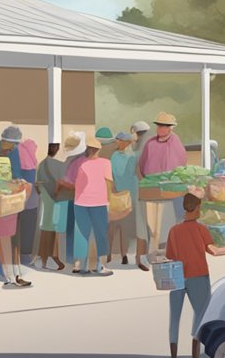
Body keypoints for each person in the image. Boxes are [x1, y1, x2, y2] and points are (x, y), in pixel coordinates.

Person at [165, 193, 219, 358]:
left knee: (174, 317)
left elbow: (170, 256)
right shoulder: (200, 229)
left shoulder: (173, 230)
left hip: (177, 275)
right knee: (201, 315)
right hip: (198, 275)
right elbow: (214, 251)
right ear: (196, 208)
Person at [137, 112, 188, 264]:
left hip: (168, 191)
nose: (160, 128)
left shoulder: (175, 142)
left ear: (170, 128)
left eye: (164, 126)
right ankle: (153, 253)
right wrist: (145, 181)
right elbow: (142, 163)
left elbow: (179, 164)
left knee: (166, 223)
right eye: (159, 125)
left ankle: (164, 253)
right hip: (151, 189)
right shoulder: (150, 143)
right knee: (152, 224)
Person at [60, 137, 114, 276]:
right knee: (92, 234)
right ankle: (91, 265)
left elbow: (69, 182)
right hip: (88, 203)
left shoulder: (81, 163)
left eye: (93, 148)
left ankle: (91, 264)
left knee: (93, 234)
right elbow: (108, 183)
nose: (92, 151)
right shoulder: (86, 163)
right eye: (92, 148)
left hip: (92, 203)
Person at [0, 127, 34, 287]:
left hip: (10, 197)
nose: (15, 147)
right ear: (5, 141)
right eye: (13, 144)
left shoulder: (14, 153)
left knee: (13, 236)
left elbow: (16, 174)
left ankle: (16, 274)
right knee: (2, 236)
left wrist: (19, 182)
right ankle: (9, 275)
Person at [35, 142, 68, 271]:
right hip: (53, 198)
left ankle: (44, 257)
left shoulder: (42, 164)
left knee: (47, 226)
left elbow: (37, 185)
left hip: (46, 197)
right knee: (51, 227)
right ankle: (49, 257)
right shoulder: (55, 164)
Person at [109, 131, 140, 266]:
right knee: (123, 228)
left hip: (117, 195)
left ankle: (112, 254)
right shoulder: (131, 156)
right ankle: (123, 255)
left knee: (113, 227)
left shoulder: (115, 156)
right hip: (128, 196)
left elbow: (113, 176)